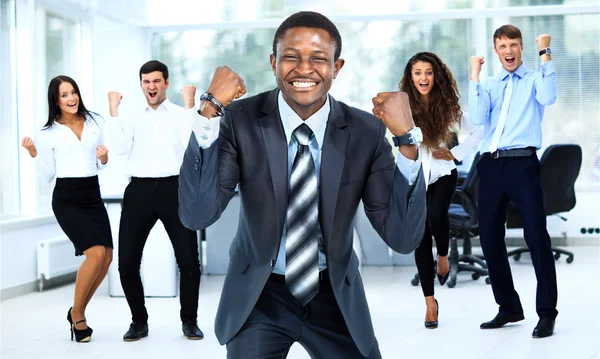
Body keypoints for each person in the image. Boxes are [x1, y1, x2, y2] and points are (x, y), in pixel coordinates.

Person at [178, 11, 426, 359]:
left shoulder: (365, 131)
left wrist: (406, 141)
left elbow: (402, 238)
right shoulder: (240, 120)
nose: (304, 69)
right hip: (259, 295)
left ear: (337, 67)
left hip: (333, 292)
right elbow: (198, 214)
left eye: (319, 59)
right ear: (273, 62)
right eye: (291, 57)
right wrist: (209, 111)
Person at [468, 24, 558, 338]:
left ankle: (546, 313)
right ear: (496, 51)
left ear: (521, 48)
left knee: (536, 238)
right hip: (490, 167)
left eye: (514, 45)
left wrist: (545, 54)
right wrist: (474, 78)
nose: (509, 51)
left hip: (522, 164)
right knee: (490, 239)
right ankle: (508, 307)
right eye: (503, 46)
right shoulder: (490, 84)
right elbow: (478, 118)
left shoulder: (535, 79)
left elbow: (549, 96)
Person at [107, 60, 205, 341]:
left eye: (156, 81)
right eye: (146, 81)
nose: (151, 86)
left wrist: (190, 107)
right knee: (126, 263)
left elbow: (193, 144)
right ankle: (139, 322)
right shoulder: (132, 117)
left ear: (166, 84)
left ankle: (190, 321)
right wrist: (114, 111)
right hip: (138, 191)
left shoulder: (179, 113)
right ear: (141, 85)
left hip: (175, 189)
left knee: (188, 261)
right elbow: (121, 147)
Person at [21, 75, 113, 343]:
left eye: (73, 92)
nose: (71, 98)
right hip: (67, 199)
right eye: (64, 95)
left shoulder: (95, 122)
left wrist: (104, 157)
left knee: (106, 259)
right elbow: (48, 176)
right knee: (95, 254)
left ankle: (76, 310)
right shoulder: (47, 133)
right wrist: (34, 153)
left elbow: (101, 163)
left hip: (92, 194)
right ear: (55, 100)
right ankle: (78, 315)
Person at [400, 52, 484, 329]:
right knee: (419, 235)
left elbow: (479, 131)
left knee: (437, 216)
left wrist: (455, 153)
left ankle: (444, 255)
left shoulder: (450, 107)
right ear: (410, 78)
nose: (423, 78)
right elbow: (396, 144)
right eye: (417, 73)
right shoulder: (403, 108)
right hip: (414, 177)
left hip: (443, 174)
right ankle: (430, 302)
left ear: (436, 76)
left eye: (428, 72)